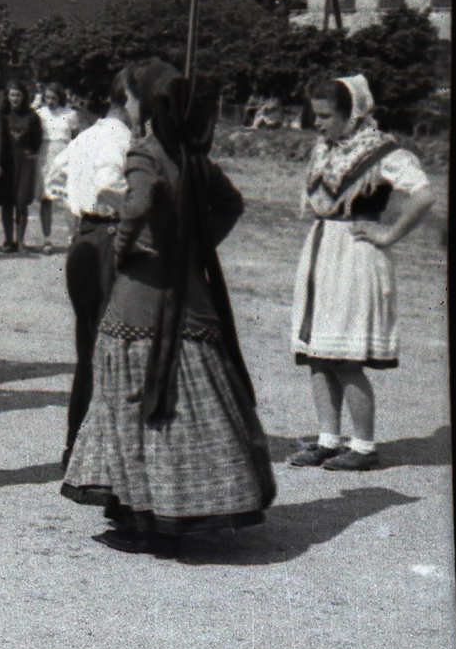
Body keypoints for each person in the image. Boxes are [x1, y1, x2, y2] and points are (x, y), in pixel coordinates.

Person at [61, 60, 276, 556]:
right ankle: (186, 505)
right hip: (189, 296)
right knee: (189, 401)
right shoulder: (195, 159)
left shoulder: (147, 153)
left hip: (139, 298)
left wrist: (122, 251)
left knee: (133, 403)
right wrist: (196, 247)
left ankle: (145, 516)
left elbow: (134, 209)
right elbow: (231, 204)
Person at [288, 74, 434, 471]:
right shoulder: (325, 148)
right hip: (321, 250)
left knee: (344, 357)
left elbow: (423, 194)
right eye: (315, 115)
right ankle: (328, 439)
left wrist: (388, 234)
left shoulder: (382, 150)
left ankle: (365, 447)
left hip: (355, 255)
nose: (318, 123)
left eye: (326, 116)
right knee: (318, 354)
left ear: (352, 113)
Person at [44, 63, 142, 470]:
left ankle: (77, 448)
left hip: (85, 237)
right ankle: (95, 455)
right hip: (107, 241)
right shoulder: (118, 141)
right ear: (129, 100)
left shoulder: (87, 135)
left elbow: (52, 179)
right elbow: (108, 184)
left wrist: (76, 211)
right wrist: (138, 214)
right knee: (110, 349)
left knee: (91, 350)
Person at [0, 81, 44, 253]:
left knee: (22, 203)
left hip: (24, 161)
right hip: (6, 161)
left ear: (24, 97)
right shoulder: (2, 114)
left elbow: (37, 140)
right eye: (12, 95)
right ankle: (8, 240)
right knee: (7, 202)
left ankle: (21, 241)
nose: (14, 98)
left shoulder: (32, 116)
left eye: (18, 95)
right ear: (7, 96)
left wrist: (30, 152)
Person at [34, 82, 82, 255]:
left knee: (68, 198)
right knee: (46, 198)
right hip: (45, 156)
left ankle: (72, 237)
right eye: (47, 98)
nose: (50, 101)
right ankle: (47, 240)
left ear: (60, 98)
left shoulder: (71, 114)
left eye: (54, 98)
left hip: (65, 154)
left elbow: (76, 139)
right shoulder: (40, 113)